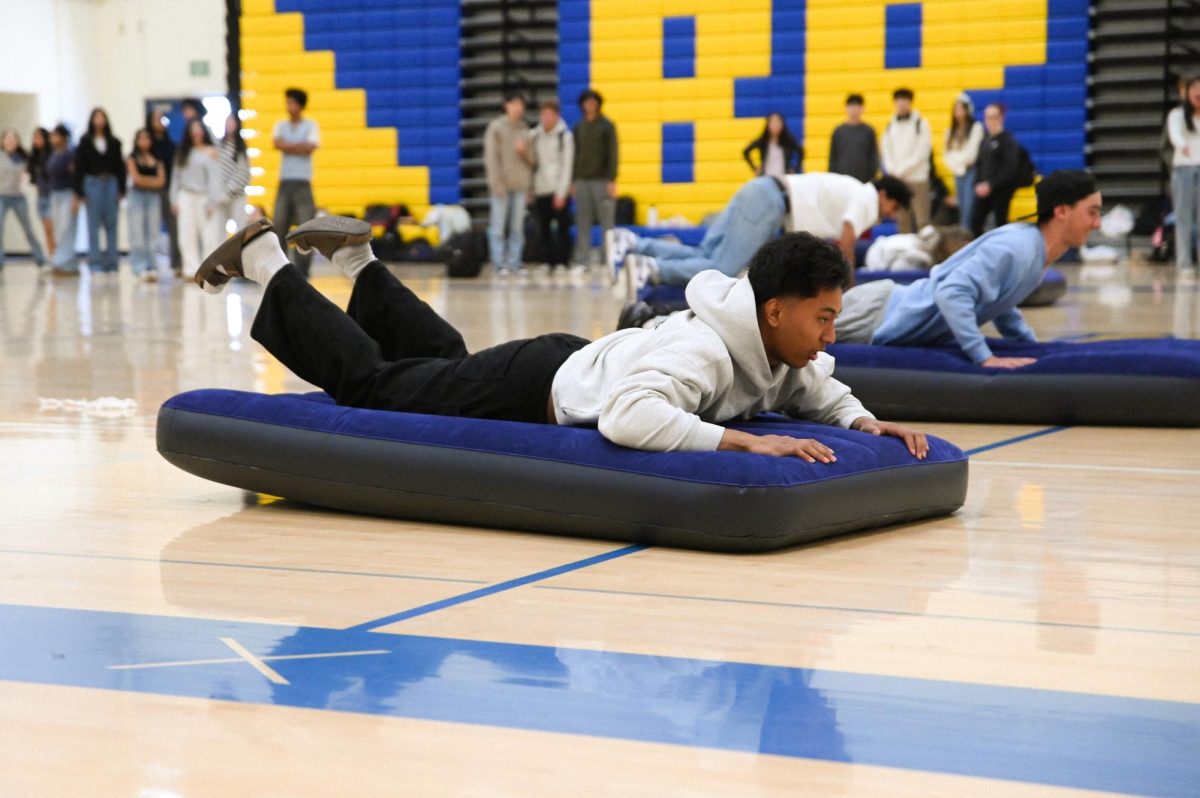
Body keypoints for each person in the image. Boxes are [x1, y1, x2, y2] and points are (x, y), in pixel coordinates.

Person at [193, 217, 928, 460]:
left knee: (444, 367)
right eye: (823, 318)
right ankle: (264, 259)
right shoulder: (707, 351)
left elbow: (816, 384)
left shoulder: (773, 345)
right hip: (537, 389)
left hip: (557, 363)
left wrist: (863, 419)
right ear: (774, 310)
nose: (829, 335)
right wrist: (744, 443)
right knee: (378, 387)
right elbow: (627, 417)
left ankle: (357, 262)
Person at [836, 170, 1101, 368]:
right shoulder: (1017, 249)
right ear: (1062, 211)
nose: (1097, 223)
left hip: (885, 309)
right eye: (1092, 212)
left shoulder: (1032, 250)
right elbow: (952, 292)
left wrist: (1030, 347)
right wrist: (984, 357)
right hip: (876, 314)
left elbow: (999, 300)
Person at [608, 173, 910, 296]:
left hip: (762, 190)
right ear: (884, 194)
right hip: (770, 200)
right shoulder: (867, 197)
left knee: (705, 254)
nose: (889, 214)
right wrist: (847, 286)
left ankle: (634, 243)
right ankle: (652, 269)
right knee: (723, 268)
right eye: (892, 207)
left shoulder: (852, 187)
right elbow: (847, 237)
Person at [483, 92, 533, 275]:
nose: (518, 108)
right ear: (506, 105)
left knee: (517, 228)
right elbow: (491, 158)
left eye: (521, 105)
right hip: (502, 186)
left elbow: (533, 162)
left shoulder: (525, 129)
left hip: (520, 185)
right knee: (498, 227)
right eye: (514, 104)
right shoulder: (496, 127)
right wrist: (496, 183)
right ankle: (499, 263)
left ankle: (515, 262)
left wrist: (524, 152)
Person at [272, 87, 320, 277]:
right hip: (285, 182)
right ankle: (281, 268)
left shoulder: (311, 125)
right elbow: (277, 144)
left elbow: (310, 147)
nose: (288, 105)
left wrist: (288, 146)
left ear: (299, 105)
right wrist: (299, 146)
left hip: (302, 183)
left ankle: (303, 270)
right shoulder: (280, 125)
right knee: (279, 225)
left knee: (305, 228)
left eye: (291, 102)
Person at [73, 107, 125, 275]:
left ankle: (112, 263)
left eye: (102, 117)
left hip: (110, 182)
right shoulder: (85, 141)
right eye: (97, 117)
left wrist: (121, 188)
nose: (99, 120)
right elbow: (79, 167)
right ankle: (94, 263)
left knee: (111, 224)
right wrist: (80, 192)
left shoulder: (114, 142)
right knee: (93, 225)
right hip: (92, 183)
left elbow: (120, 166)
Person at [571, 88, 619, 268]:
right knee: (582, 221)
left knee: (607, 222)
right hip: (582, 181)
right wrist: (573, 180)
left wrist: (611, 179)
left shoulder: (607, 126)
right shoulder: (579, 127)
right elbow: (574, 155)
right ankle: (583, 259)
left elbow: (613, 153)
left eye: (593, 101)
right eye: (587, 102)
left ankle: (609, 258)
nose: (590, 105)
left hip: (601, 180)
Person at [170, 118, 222, 279]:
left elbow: (215, 178)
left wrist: (213, 201)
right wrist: (174, 199)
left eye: (199, 128)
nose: (196, 132)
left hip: (204, 196)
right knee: (186, 233)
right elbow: (176, 177)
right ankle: (190, 269)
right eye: (193, 129)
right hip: (185, 195)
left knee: (208, 234)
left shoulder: (211, 152)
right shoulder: (182, 152)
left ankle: (208, 270)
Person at [529, 98, 575, 271]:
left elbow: (567, 165)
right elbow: (532, 164)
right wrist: (531, 188)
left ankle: (563, 261)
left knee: (563, 227)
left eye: (550, 114)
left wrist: (562, 192)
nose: (547, 118)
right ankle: (547, 261)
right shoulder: (535, 136)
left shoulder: (565, 136)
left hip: (558, 189)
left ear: (557, 116)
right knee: (544, 228)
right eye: (544, 114)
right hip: (541, 188)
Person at [881, 88, 932, 233]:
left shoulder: (921, 123)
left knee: (922, 221)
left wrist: (901, 170)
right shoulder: (890, 125)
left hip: (918, 179)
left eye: (905, 100)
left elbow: (922, 152)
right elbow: (886, 150)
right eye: (899, 101)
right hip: (899, 181)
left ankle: (925, 255)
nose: (902, 104)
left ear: (910, 102)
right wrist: (892, 171)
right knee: (902, 222)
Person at [1167, 75, 1200, 280]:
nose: (1198, 92)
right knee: (1183, 217)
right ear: (1187, 93)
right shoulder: (1177, 115)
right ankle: (1184, 263)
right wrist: (1182, 145)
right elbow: (1175, 136)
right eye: (1194, 88)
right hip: (1183, 170)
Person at [971, 103, 1022, 236]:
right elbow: (980, 164)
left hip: (1000, 190)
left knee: (1000, 224)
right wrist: (977, 184)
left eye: (993, 117)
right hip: (983, 189)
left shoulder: (1008, 140)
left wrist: (991, 184)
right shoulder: (985, 140)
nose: (990, 121)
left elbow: (1010, 168)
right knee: (975, 221)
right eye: (987, 117)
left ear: (1001, 118)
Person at [0, 129, 48, 270]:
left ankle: (41, 259)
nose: (10, 141)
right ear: (2, 142)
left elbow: (31, 176)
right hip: (2, 196)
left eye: (13, 139)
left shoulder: (24, 158)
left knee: (28, 229)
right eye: (7, 139)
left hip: (19, 197)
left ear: (18, 141)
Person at [126, 128, 166, 281]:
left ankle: (152, 265)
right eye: (141, 138)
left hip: (154, 198)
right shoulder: (132, 158)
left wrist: (146, 182)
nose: (144, 142)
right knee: (137, 232)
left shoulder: (157, 158)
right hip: (136, 197)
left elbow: (161, 181)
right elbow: (136, 179)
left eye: (147, 138)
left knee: (153, 232)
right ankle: (139, 266)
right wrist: (151, 182)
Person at [943, 93, 984, 228]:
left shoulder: (976, 128)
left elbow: (971, 155)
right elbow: (947, 155)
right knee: (961, 207)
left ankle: (968, 236)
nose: (958, 112)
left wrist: (957, 159)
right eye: (956, 109)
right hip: (958, 173)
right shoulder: (950, 131)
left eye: (961, 108)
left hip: (971, 172)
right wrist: (957, 164)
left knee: (969, 207)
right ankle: (963, 235)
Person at [146, 109, 179, 273]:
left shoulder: (171, 146)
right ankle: (150, 264)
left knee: (174, 227)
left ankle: (177, 263)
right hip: (150, 192)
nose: (160, 123)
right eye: (156, 119)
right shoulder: (146, 146)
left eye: (162, 119)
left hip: (168, 191)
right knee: (150, 228)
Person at [46, 124, 78, 274]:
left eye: (55, 135)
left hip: (68, 193)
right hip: (55, 194)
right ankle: (61, 260)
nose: (52, 138)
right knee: (58, 228)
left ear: (63, 137)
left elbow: (75, 176)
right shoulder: (54, 154)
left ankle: (65, 262)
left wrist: (76, 196)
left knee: (67, 228)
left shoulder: (70, 154)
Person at [828, 94, 879, 183]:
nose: (854, 110)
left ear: (862, 108)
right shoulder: (838, 131)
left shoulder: (868, 131)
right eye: (851, 106)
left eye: (857, 106)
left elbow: (873, 156)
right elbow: (833, 158)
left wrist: (872, 177)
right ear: (846, 108)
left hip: (863, 180)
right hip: (842, 180)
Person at [217, 113, 251, 233]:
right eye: (228, 122)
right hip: (220, 196)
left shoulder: (241, 148)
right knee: (218, 231)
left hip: (237, 195)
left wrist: (229, 191)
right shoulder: (218, 145)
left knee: (240, 230)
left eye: (232, 122)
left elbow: (244, 172)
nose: (230, 125)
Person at [743, 113, 803, 179]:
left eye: (778, 122)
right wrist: (755, 168)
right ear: (768, 125)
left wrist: (795, 169)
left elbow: (801, 151)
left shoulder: (787, 141)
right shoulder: (763, 141)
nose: (775, 126)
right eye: (773, 122)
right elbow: (746, 151)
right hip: (767, 178)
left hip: (784, 178)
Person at [28, 127, 55, 259]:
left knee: (52, 229)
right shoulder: (34, 157)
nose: (36, 140)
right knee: (47, 230)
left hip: (51, 196)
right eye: (35, 137)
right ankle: (51, 257)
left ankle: (57, 258)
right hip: (41, 196)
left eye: (39, 137)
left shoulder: (51, 156)